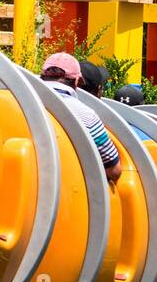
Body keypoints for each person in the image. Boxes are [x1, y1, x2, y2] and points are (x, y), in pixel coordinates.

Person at [40, 52, 121, 184]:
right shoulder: (86, 115)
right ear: (78, 81)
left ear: (42, 76)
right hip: (69, 192)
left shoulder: (21, 105)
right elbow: (114, 170)